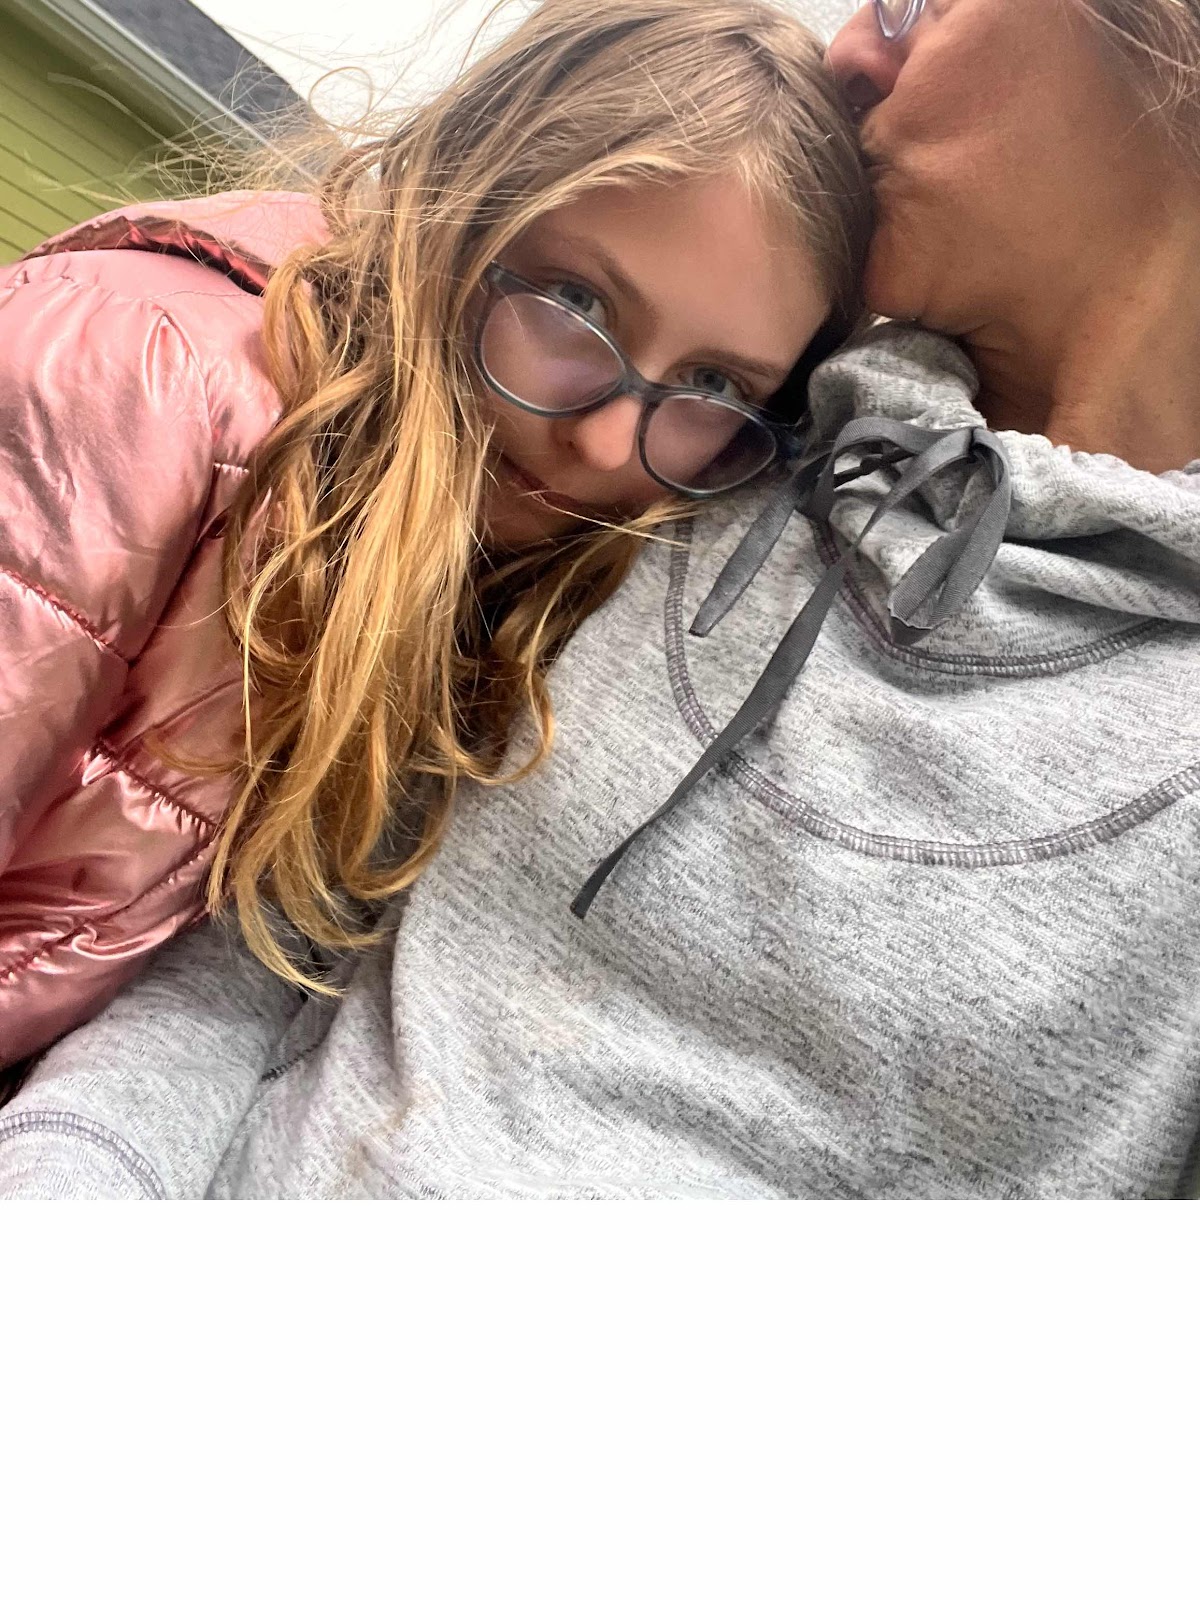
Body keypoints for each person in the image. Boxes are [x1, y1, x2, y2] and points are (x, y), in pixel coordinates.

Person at [4, 0, 1200, 1201]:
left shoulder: (656, 481)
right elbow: (268, 948)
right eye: (578, 307)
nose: (852, 49)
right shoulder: (164, 388)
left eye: (919, 0)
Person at [0, 0, 867, 1072]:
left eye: (714, 384)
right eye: (575, 300)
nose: (604, 442)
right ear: (456, 195)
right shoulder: (133, 384)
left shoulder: (509, 573)